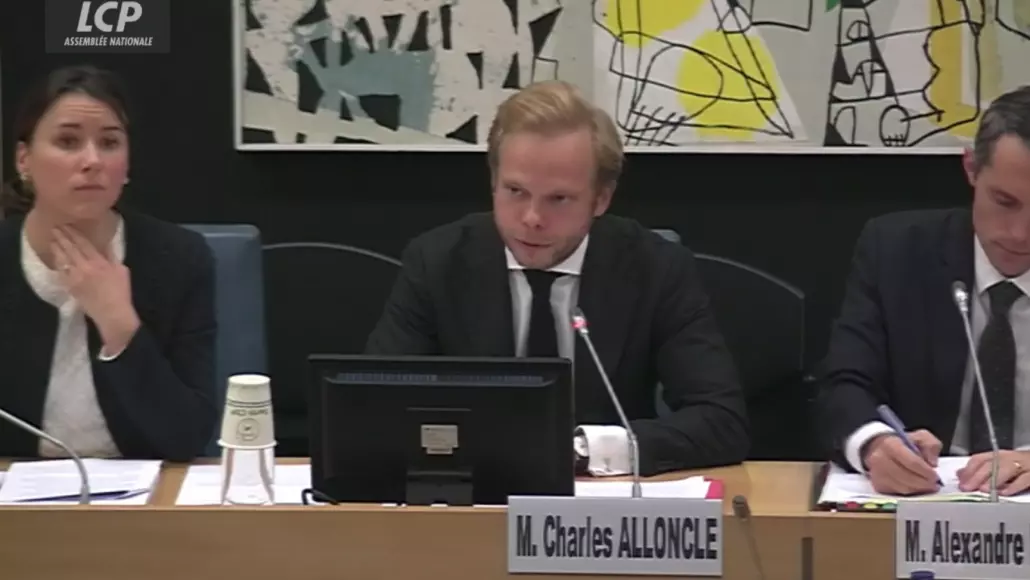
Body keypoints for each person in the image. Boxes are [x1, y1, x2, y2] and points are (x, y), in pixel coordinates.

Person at [366, 80, 748, 476]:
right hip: (472, 489)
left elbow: (721, 421)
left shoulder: (656, 269)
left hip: (602, 497)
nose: (532, 218)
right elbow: (373, 404)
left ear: (601, 198)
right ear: (493, 182)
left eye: (559, 199)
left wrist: (585, 451)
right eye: (515, 191)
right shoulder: (438, 263)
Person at [818, 86, 1030, 497]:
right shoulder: (896, 251)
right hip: (928, 501)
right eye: (1005, 202)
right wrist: (875, 444)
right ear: (971, 169)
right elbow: (844, 384)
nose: (1020, 234)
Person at [0, 65, 218, 461]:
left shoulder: (179, 259)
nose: (92, 160)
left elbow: (187, 438)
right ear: (24, 159)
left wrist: (118, 323)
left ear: (127, 163)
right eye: (68, 141)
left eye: (109, 143)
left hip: (143, 491)